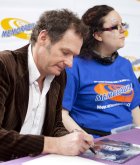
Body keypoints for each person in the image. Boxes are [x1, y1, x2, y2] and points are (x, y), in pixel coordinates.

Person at [0, 9, 94, 161]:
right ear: (43, 37)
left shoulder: (59, 75)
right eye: (65, 52)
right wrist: (54, 144)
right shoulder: (4, 65)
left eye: (73, 56)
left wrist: (74, 139)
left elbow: (55, 126)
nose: (70, 64)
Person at [62, 5, 140, 138]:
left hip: (128, 141)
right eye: (116, 27)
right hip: (94, 143)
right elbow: (62, 114)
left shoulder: (125, 65)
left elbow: (134, 108)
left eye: (123, 25)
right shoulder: (74, 66)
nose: (123, 31)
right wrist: (86, 140)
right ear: (98, 35)